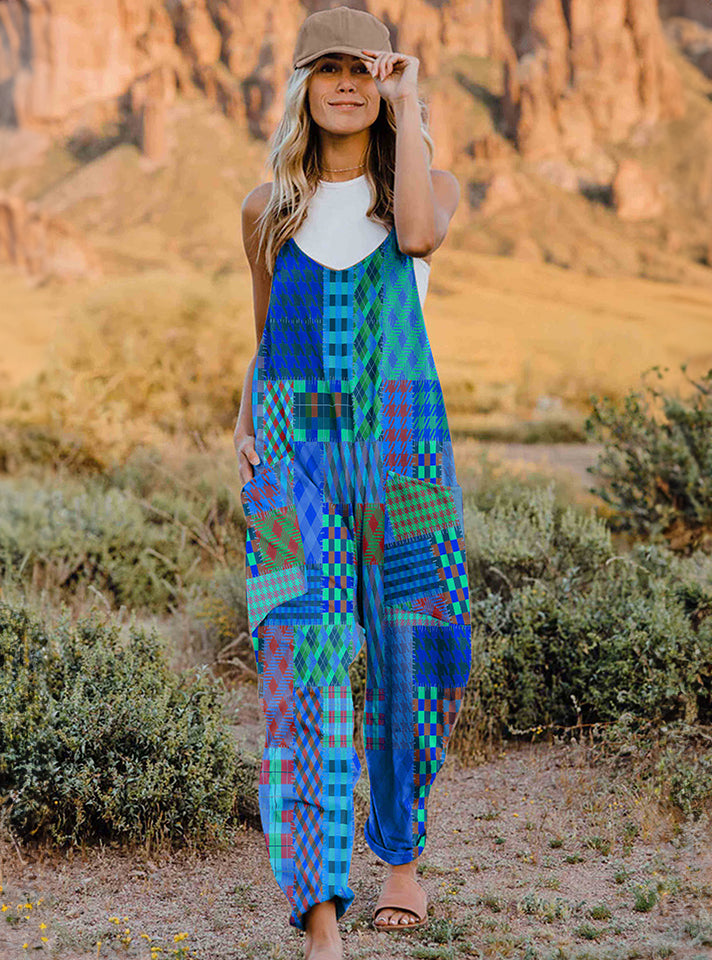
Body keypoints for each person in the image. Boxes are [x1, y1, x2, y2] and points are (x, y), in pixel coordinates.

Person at [234, 6, 472, 959]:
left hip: (404, 447)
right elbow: (260, 340)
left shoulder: (426, 186)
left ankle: (401, 856)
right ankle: (320, 915)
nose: (344, 83)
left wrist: (409, 105)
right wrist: (243, 422)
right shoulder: (267, 207)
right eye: (324, 68)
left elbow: (416, 237)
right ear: (300, 86)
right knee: (302, 665)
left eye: (361, 69)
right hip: (294, 453)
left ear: (384, 80)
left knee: (422, 650)